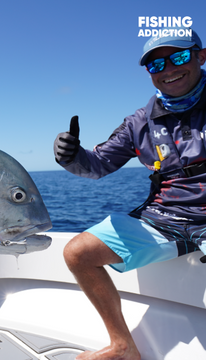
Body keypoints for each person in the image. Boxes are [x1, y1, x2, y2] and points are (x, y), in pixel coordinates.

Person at [54, 28, 206, 360]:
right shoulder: (139, 122)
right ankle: (122, 346)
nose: (168, 70)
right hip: (164, 218)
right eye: (155, 65)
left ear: (201, 56)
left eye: (178, 57)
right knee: (78, 253)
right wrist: (70, 156)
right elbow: (97, 165)